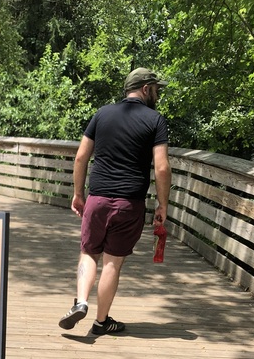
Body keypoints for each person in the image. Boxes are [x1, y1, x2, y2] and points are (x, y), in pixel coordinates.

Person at [59, 67, 171, 335]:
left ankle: (81, 301)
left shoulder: (102, 114)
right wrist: (163, 205)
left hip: (97, 199)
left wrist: (78, 194)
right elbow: (162, 168)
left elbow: (80, 157)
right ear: (145, 89)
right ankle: (101, 322)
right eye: (156, 89)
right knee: (113, 261)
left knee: (89, 252)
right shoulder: (155, 120)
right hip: (129, 203)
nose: (158, 94)